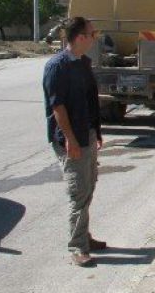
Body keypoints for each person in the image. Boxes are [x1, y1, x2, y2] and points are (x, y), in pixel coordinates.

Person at [42, 16, 106, 267]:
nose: (94, 37)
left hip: (86, 133)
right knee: (78, 192)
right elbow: (57, 107)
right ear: (80, 37)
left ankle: (85, 237)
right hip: (71, 139)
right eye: (92, 34)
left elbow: (90, 101)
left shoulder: (83, 62)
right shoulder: (57, 66)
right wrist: (71, 140)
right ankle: (78, 247)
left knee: (88, 186)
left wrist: (96, 132)